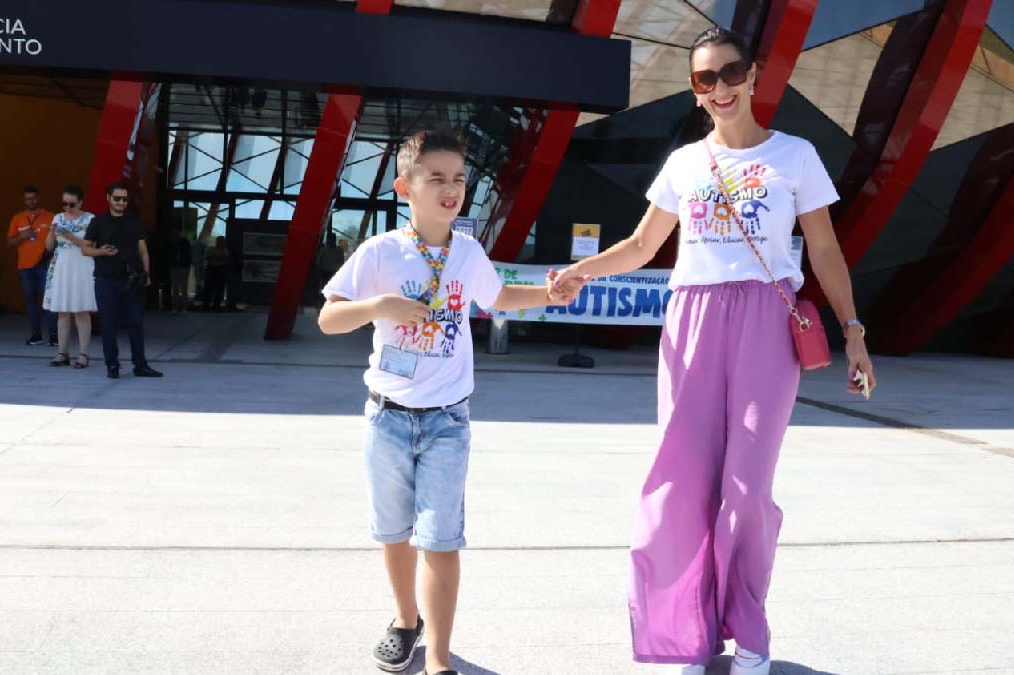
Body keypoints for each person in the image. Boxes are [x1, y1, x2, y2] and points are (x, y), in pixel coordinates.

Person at [551, 26, 878, 675]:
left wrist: (854, 329)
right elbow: (644, 246)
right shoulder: (685, 165)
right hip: (693, 318)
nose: (721, 88)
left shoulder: (796, 156)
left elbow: (826, 249)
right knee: (683, 485)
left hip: (765, 317)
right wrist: (581, 271)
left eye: (730, 73)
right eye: (705, 79)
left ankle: (749, 628)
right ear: (696, 91)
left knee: (747, 487)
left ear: (754, 75)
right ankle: (689, 637)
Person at [318, 128, 587, 675]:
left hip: (446, 421)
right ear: (404, 187)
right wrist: (380, 305)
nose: (451, 188)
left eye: (459, 179)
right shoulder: (380, 252)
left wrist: (549, 294)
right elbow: (328, 317)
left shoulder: (467, 252)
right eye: (436, 177)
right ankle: (404, 620)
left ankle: (438, 660)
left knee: (441, 539)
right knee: (394, 533)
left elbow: (499, 297)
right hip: (388, 417)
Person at [80, 182, 163, 380]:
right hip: (106, 280)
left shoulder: (134, 222)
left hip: (131, 280)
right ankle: (112, 365)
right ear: (108, 198)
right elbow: (85, 249)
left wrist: (147, 273)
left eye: (125, 199)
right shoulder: (98, 222)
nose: (121, 203)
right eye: (117, 198)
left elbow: (143, 250)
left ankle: (140, 365)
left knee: (135, 323)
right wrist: (101, 251)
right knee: (108, 325)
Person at [43, 186, 97, 369]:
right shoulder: (57, 218)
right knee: (62, 311)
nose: (67, 207)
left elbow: (91, 245)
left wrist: (71, 237)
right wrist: (52, 232)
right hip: (61, 266)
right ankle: (62, 352)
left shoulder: (91, 219)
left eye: (71, 204)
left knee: (81, 311)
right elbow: (49, 246)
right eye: (64, 203)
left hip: (82, 265)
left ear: (81, 202)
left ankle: (83, 354)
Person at [7, 186, 57, 346]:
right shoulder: (17, 218)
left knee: (49, 300)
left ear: (39, 198)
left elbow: (60, 240)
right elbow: (9, 242)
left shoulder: (51, 217)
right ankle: (36, 335)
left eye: (33, 198)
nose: (31, 201)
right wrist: (22, 236)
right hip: (25, 266)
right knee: (31, 301)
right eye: (28, 198)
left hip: (46, 265)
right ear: (24, 200)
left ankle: (54, 336)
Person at [168, 229, 193, 314]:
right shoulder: (171, 243)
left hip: (183, 266)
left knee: (183, 287)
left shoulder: (185, 242)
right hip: (176, 266)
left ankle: (183, 307)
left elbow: (188, 254)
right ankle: (176, 307)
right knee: (175, 287)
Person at [204, 236, 230, 312]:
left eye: (222, 241)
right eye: (219, 241)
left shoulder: (225, 250)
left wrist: (217, 258)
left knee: (219, 289)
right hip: (211, 270)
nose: (220, 243)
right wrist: (220, 258)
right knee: (209, 289)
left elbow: (227, 259)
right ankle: (206, 305)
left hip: (221, 271)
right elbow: (208, 257)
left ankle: (216, 305)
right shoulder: (211, 249)